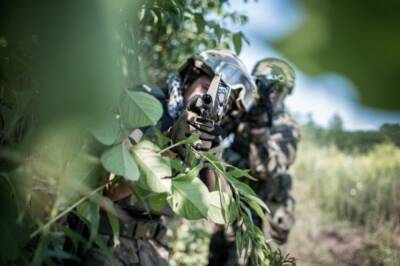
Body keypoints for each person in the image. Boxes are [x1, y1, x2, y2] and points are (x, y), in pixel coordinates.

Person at [65, 49, 257, 266]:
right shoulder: (147, 107)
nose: (209, 102)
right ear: (187, 81)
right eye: (205, 88)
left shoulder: (204, 140)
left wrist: (214, 155)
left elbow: (222, 211)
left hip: (151, 248)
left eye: (225, 104)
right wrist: (169, 144)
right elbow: (106, 190)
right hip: (105, 239)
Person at [208, 58, 299, 265]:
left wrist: (260, 133)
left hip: (260, 210)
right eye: (265, 86)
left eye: (278, 89)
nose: (271, 94)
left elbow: (267, 169)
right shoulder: (243, 108)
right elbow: (215, 132)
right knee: (217, 254)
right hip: (233, 202)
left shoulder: (286, 126)